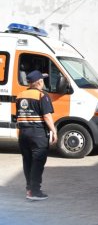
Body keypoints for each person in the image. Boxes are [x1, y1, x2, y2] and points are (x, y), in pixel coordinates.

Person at [16, 70, 58, 200]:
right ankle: (35, 191)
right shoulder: (42, 96)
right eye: (43, 80)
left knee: (27, 161)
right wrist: (54, 131)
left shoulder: (20, 95)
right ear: (39, 82)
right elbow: (46, 115)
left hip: (23, 134)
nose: (43, 82)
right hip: (38, 134)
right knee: (37, 162)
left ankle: (29, 189)